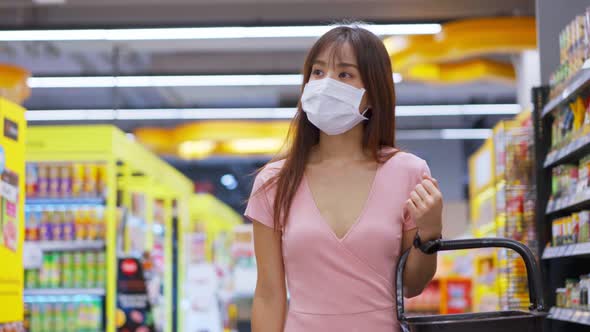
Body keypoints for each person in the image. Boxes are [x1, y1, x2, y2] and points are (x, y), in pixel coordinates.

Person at [245, 24, 443, 332]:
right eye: (318, 72)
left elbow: (412, 286)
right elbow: (269, 294)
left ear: (374, 92)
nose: (325, 85)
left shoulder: (409, 173)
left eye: (344, 74)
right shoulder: (274, 181)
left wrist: (430, 233)